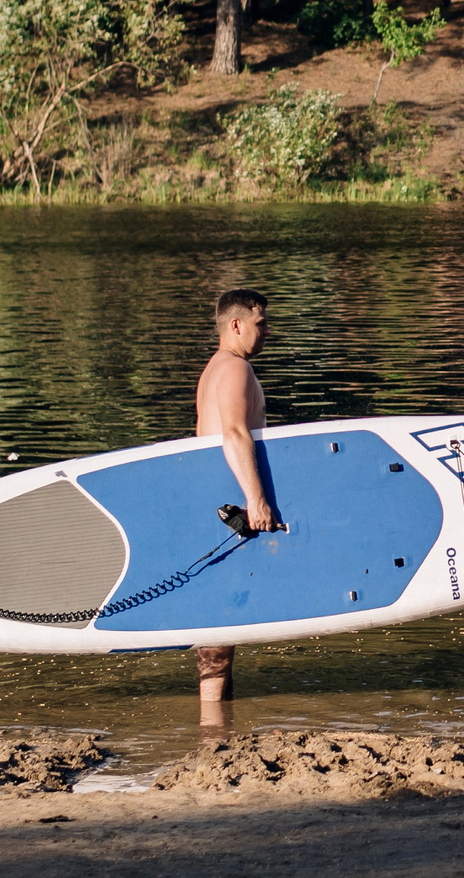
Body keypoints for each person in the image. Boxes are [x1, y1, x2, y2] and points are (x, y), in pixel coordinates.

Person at [193, 287, 280, 717]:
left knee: (222, 614)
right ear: (236, 324)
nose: (267, 331)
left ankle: (218, 715)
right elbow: (233, 434)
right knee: (219, 613)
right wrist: (256, 498)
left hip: (217, 497)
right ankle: (210, 719)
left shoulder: (216, 367)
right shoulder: (234, 370)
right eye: (261, 323)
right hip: (230, 500)